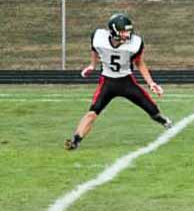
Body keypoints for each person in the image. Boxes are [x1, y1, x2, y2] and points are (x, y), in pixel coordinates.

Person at [64, 14, 171, 150]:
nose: (128, 34)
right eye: (124, 31)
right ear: (114, 31)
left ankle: (164, 121)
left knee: (153, 111)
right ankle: (75, 140)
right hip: (107, 82)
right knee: (92, 112)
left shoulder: (134, 44)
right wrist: (92, 65)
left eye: (128, 30)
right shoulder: (99, 39)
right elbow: (94, 50)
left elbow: (140, 63)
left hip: (127, 82)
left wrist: (151, 83)